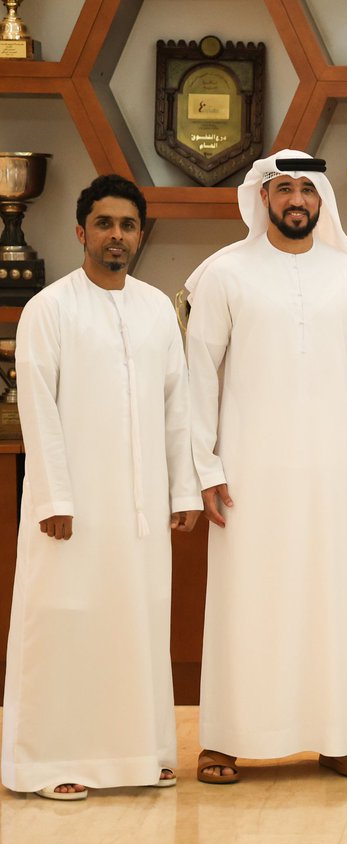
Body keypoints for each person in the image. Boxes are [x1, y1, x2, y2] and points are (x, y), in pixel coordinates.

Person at [186, 150, 347, 784]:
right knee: (244, 598)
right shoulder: (224, 273)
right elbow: (200, 377)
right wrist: (205, 465)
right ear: (263, 198)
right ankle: (225, 738)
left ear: (321, 199)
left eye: (307, 188)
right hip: (248, 468)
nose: (296, 199)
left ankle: (334, 736)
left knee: (330, 600)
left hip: (330, 466)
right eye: (284, 188)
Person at [1, 175, 201, 800]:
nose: (118, 236)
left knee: (136, 622)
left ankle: (141, 754)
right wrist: (57, 498)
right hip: (73, 505)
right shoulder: (49, 309)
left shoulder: (153, 309)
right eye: (106, 224)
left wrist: (183, 489)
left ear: (141, 234)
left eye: (129, 225)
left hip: (139, 506)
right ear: (81, 231)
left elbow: (177, 404)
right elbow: (38, 409)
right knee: (66, 622)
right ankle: (52, 762)